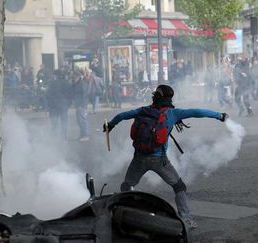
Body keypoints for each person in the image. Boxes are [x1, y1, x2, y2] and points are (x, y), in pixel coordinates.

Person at [103, 84, 228, 229]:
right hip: (159, 160)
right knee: (179, 186)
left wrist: (110, 125)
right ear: (170, 98)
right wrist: (219, 116)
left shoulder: (143, 110)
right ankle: (186, 219)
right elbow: (198, 112)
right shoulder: (173, 113)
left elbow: (121, 116)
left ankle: (124, 214)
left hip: (139, 158)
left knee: (127, 185)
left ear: (155, 96)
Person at [46, 70, 71, 141]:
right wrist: (68, 104)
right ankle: (64, 137)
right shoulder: (67, 83)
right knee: (64, 122)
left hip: (54, 107)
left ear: (56, 75)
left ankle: (54, 138)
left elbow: (48, 95)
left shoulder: (52, 83)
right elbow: (70, 95)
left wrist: (49, 105)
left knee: (54, 123)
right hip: (63, 106)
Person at [71, 70, 90, 141]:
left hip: (81, 105)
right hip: (78, 104)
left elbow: (84, 95)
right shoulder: (76, 84)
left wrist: (81, 105)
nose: (73, 78)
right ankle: (82, 134)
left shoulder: (82, 84)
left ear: (78, 77)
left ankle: (85, 135)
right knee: (79, 120)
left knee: (82, 119)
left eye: (74, 77)